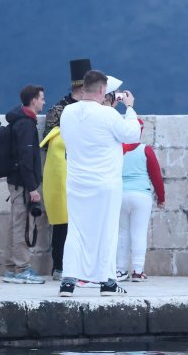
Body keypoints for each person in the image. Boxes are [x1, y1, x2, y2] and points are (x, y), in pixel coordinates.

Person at [58, 70, 141, 296]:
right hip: (105, 183)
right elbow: (132, 135)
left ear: (84, 87)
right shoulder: (108, 114)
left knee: (75, 230)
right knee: (107, 231)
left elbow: (67, 138)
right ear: (103, 90)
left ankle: (68, 281)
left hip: (77, 182)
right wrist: (130, 108)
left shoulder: (67, 112)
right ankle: (107, 282)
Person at [41, 58, 91, 280]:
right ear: (82, 88)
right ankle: (59, 266)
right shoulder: (58, 110)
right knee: (62, 223)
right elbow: (47, 141)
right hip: (64, 172)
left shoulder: (92, 109)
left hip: (86, 172)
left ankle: (83, 266)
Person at [2, 85, 46, 285]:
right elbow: (25, 160)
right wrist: (32, 188)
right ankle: (22, 269)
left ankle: (11, 268)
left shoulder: (19, 121)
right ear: (34, 101)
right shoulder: (26, 125)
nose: (43, 102)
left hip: (16, 183)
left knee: (15, 224)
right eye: (41, 98)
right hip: (22, 184)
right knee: (22, 225)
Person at [116, 119, 165, 282]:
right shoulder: (146, 150)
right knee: (139, 233)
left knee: (122, 234)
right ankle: (138, 271)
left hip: (120, 195)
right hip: (141, 196)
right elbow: (156, 176)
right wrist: (161, 198)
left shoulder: (118, 149)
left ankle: (120, 270)